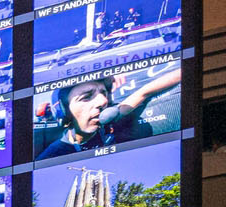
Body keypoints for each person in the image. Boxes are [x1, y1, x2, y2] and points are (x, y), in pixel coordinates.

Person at [34, 67, 181, 159]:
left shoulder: (112, 118)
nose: (102, 101)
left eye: (103, 93)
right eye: (86, 97)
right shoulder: (52, 155)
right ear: (64, 113)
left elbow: (144, 92)